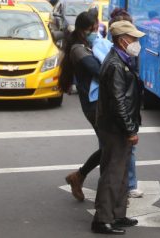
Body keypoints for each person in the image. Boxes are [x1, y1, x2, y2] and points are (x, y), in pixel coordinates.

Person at [91, 20, 144, 235]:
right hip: (114, 127)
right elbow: (118, 101)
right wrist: (130, 129)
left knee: (121, 172)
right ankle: (102, 219)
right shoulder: (115, 64)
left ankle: (118, 214)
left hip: (118, 125)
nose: (136, 43)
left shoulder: (123, 59)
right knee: (112, 173)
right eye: (133, 39)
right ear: (122, 41)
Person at [59, 11, 102, 202]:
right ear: (90, 27)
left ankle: (79, 176)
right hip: (93, 104)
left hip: (99, 102)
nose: (98, 29)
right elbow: (98, 71)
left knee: (110, 146)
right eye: (96, 26)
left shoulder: (87, 44)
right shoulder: (78, 49)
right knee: (111, 146)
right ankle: (81, 177)